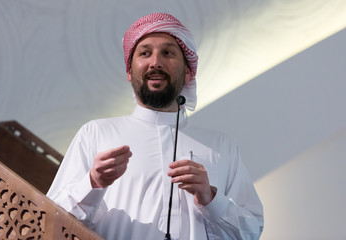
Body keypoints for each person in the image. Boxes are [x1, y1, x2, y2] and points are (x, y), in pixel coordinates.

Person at [47, 12, 264, 240]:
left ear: (188, 71)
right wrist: (92, 183)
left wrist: (211, 198)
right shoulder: (96, 133)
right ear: (129, 72)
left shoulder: (221, 146)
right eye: (145, 53)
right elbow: (51, 218)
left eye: (168, 53)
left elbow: (250, 232)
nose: (156, 63)